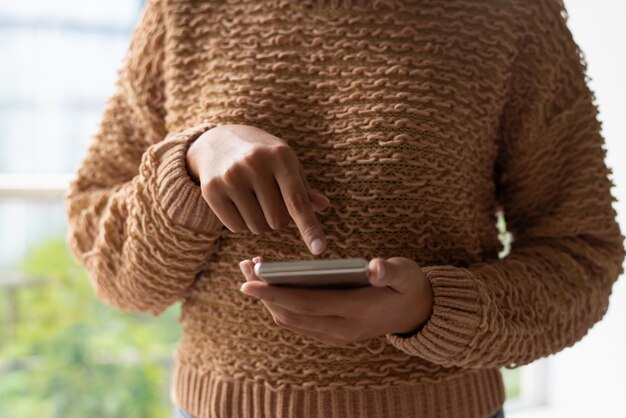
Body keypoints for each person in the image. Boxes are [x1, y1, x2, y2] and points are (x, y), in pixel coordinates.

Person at [64, 0, 625, 417]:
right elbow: (112, 268)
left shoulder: (512, 16)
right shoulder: (185, 12)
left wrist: (432, 309)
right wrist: (189, 163)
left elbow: (582, 258)